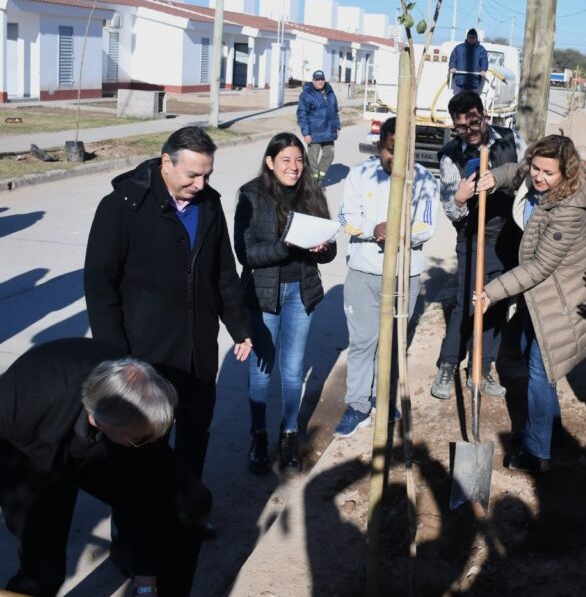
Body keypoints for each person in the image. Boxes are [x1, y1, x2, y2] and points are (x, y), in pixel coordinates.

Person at [85, 125, 252, 487]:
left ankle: (187, 514)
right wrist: (117, 357)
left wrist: (238, 327)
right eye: (192, 175)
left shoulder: (209, 205)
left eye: (207, 175)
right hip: (146, 357)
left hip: (198, 354)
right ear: (166, 162)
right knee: (142, 447)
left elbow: (224, 272)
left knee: (194, 438)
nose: (201, 184)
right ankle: (135, 529)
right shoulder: (123, 207)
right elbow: (101, 288)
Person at [0, 338, 211, 597]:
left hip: (104, 446)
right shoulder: (19, 401)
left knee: (191, 502)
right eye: (144, 439)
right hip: (31, 454)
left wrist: (147, 582)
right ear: (98, 421)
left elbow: (150, 492)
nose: (153, 442)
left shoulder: (145, 420)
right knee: (43, 563)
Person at [475, 134, 586, 473]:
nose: (538, 177)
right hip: (542, 295)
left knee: (539, 371)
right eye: (536, 168)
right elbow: (515, 173)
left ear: (567, 172)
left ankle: (537, 453)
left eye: (548, 173)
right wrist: (494, 177)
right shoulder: (535, 173)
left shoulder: (570, 211)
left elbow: (541, 266)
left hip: (563, 299)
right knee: (539, 363)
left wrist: (493, 291)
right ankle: (548, 430)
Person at [234, 133, 338, 475]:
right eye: (285, 160)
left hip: (300, 292)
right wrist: (286, 247)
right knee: (261, 371)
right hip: (263, 296)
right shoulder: (251, 195)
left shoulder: (312, 193)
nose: (293, 167)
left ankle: (290, 432)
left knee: (293, 370)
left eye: (298, 160)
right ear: (270, 162)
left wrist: (324, 249)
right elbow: (245, 253)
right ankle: (259, 435)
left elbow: (330, 247)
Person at [334, 117, 440, 436]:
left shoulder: (423, 180)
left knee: (393, 342)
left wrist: (399, 231)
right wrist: (373, 229)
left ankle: (384, 399)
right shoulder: (360, 175)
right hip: (364, 271)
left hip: (404, 273)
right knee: (363, 341)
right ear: (380, 147)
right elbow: (346, 218)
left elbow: (426, 226)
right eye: (391, 150)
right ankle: (357, 405)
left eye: (404, 150)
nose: (397, 157)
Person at [431, 90, 526, 400]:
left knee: (496, 303)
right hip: (473, 238)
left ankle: (482, 366)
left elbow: (527, 180)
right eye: (460, 127)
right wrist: (460, 197)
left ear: (484, 116)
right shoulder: (450, 155)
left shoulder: (512, 140)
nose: (468, 133)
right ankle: (448, 363)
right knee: (466, 302)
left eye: (473, 124)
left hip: (509, 237)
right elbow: (449, 207)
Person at [297, 69, 341, 184]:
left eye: (321, 79)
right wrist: (306, 133)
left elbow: (335, 112)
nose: (320, 82)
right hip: (314, 133)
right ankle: (312, 184)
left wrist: (337, 127)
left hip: (329, 132)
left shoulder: (330, 93)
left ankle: (318, 179)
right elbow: (302, 114)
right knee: (312, 160)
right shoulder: (306, 95)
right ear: (313, 81)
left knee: (329, 156)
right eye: (317, 80)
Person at [448, 28, 489, 95]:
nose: (471, 39)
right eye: (470, 37)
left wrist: (483, 69)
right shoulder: (459, 48)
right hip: (460, 80)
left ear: (476, 38)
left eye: (473, 37)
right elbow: (453, 58)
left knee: (471, 101)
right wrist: (452, 67)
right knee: (458, 100)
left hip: (474, 80)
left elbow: (484, 60)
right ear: (467, 38)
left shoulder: (481, 50)